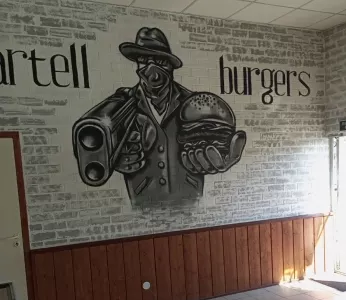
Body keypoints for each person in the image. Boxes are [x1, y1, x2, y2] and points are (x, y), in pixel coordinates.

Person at [73, 27, 246, 205]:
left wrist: (225, 152)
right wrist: (113, 153)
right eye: (143, 60)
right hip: (142, 202)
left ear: (170, 66)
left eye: (159, 61)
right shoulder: (124, 103)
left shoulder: (192, 103)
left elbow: (217, 130)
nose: (151, 69)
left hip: (191, 199)